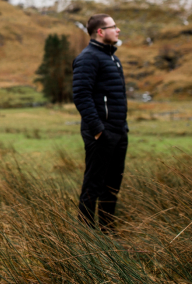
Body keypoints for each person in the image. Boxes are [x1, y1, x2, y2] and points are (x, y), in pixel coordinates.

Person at [71, 14, 128, 233]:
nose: (118, 30)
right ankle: (86, 235)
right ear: (101, 32)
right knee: (93, 186)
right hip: (101, 133)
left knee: (112, 185)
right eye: (113, 26)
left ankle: (107, 232)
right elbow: (81, 95)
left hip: (118, 132)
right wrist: (97, 130)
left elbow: (115, 97)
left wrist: (122, 129)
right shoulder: (88, 58)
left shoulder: (113, 58)